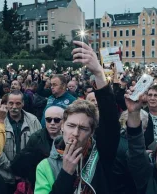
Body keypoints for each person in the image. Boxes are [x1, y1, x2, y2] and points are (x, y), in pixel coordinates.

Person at [34, 41, 120, 193]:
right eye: (71, 126)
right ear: (62, 126)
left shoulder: (101, 155)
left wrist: (99, 74)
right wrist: (66, 173)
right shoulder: (45, 167)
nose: (75, 133)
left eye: (83, 128)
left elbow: (111, 122)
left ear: (92, 132)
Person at [0, 90, 41, 193]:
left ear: (23, 103)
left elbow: (39, 147)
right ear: (7, 104)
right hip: (5, 178)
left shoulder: (33, 121)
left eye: (18, 103)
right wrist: (12, 168)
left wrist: (25, 169)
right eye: (11, 103)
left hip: (27, 179)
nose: (14, 107)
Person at [11, 106, 65, 188]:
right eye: (48, 119)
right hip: (40, 182)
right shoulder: (36, 137)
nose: (52, 123)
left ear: (63, 121)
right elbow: (23, 160)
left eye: (57, 120)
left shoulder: (68, 138)